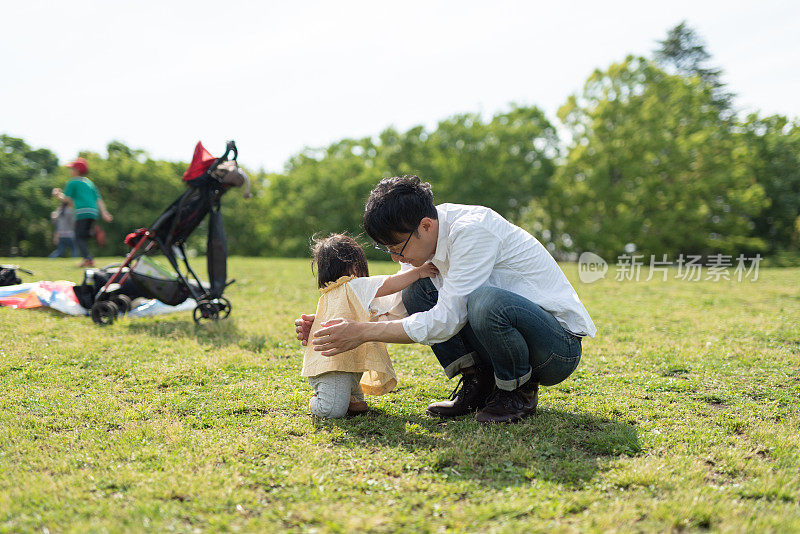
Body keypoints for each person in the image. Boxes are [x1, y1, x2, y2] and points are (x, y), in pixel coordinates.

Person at [296, 175, 597, 424]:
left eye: (397, 247)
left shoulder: (473, 231)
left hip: (556, 349)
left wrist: (362, 332)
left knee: (484, 302)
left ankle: (516, 391)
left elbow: (445, 321)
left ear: (425, 226)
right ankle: (478, 383)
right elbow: (397, 310)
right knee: (417, 288)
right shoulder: (421, 244)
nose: (394, 257)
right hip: (509, 334)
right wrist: (331, 328)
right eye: (386, 249)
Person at [303, 233, 438, 419]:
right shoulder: (354, 285)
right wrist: (419, 272)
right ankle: (319, 400)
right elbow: (389, 284)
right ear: (354, 264)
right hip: (333, 367)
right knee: (332, 410)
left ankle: (350, 395)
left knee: (357, 405)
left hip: (345, 364)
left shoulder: (327, 296)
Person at [52, 157, 112, 267]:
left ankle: (88, 259)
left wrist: (57, 195)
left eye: (72, 169)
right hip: (93, 212)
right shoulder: (90, 183)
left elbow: (67, 199)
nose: (70, 171)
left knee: (78, 237)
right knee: (83, 236)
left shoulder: (73, 182)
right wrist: (105, 213)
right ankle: (94, 234)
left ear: (77, 170)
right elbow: (98, 199)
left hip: (82, 212)